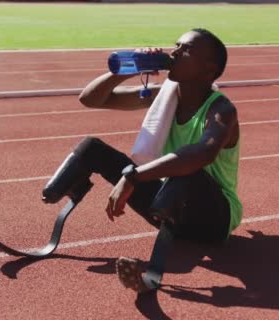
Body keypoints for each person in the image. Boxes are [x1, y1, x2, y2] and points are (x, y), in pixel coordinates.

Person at [43, 28, 242, 293]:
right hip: (169, 202)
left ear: (209, 69)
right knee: (92, 148)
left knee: (187, 170)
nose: (174, 53)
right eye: (176, 46)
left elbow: (202, 154)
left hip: (214, 220)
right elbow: (90, 99)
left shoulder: (222, 110)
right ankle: (59, 198)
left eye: (186, 50)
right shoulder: (165, 97)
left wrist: (132, 176)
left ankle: (155, 271)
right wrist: (126, 69)